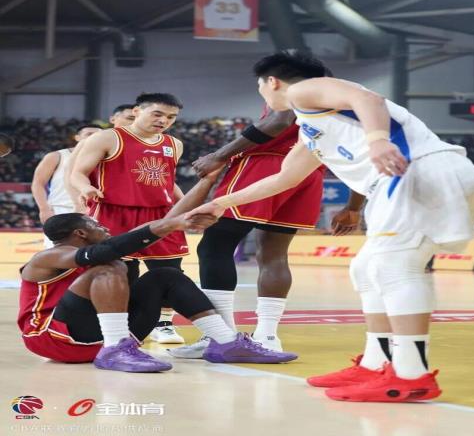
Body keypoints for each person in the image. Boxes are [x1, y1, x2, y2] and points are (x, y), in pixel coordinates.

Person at [187, 50, 474, 402]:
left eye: (260, 87)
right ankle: (376, 363)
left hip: (419, 170)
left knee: (394, 268)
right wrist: (219, 204)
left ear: (272, 82)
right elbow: (283, 179)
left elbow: (368, 99)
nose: (262, 94)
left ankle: (411, 373)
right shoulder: (311, 128)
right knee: (366, 268)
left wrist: (378, 140)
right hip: (410, 178)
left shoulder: (304, 91)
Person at [18, 174, 297, 373]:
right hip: (52, 339)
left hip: (95, 336)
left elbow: (159, 224)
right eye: (96, 225)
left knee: (165, 275)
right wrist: (168, 226)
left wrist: (207, 181)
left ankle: (225, 343)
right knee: (110, 266)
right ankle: (116, 349)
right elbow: (109, 251)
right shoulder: (48, 257)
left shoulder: (103, 247)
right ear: (80, 233)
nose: (103, 227)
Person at [170, 107, 360, 358]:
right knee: (274, 253)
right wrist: (354, 207)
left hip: (264, 164)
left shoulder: (297, 92)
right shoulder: (343, 103)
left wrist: (219, 155)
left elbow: (280, 120)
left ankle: (221, 336)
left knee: (215, 245)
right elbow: (359, 155)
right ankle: (268, 337)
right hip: (309, 173)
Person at [70, 94, 189, 345]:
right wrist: (85, 188)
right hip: (115, 212)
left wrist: (187, 205)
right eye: (157, 114)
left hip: (161, 214)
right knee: (122, 272)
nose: (164, 121)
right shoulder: (107, 138)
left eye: (171, 117)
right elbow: (78, 173)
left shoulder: (174, 144)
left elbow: (168, 180)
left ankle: (164, 325)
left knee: (170, 271)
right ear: (136, 111)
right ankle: (122, 325)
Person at [31, 124, 103, 247]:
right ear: (77, 137)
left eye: (97, 135)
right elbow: (38, 183)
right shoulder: (57, 156)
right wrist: (44, 209)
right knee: (58, 250)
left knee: (92, 251)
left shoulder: (105, 157)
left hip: (94, 209)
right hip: (62, 209)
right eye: (89, 134)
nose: (93, 137)